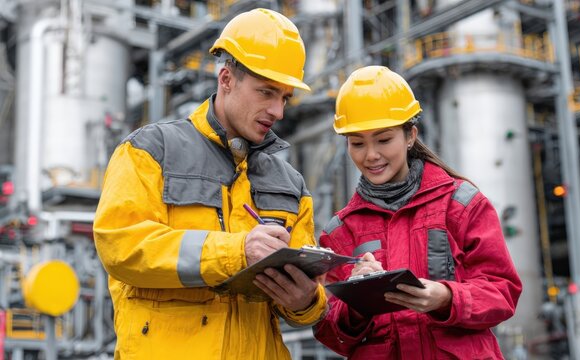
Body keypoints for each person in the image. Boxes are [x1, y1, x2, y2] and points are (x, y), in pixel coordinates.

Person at [93, 8, 327, 359]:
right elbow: (121, 247)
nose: (278, 111)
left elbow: (305, 306)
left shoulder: (289, 183)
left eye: (284, 98)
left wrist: (306, 301)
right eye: (266, 92)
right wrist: (236, 252)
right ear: (226, 79)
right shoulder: (151, 150)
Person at [313, 65, 522, 359]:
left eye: (383, 140)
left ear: (410, 135)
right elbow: (330, 331)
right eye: (357, 143)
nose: (371, 154)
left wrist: (447, 298)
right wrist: (358, 301)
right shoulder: (340, 232)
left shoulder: (460, 204)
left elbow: (503, 291)